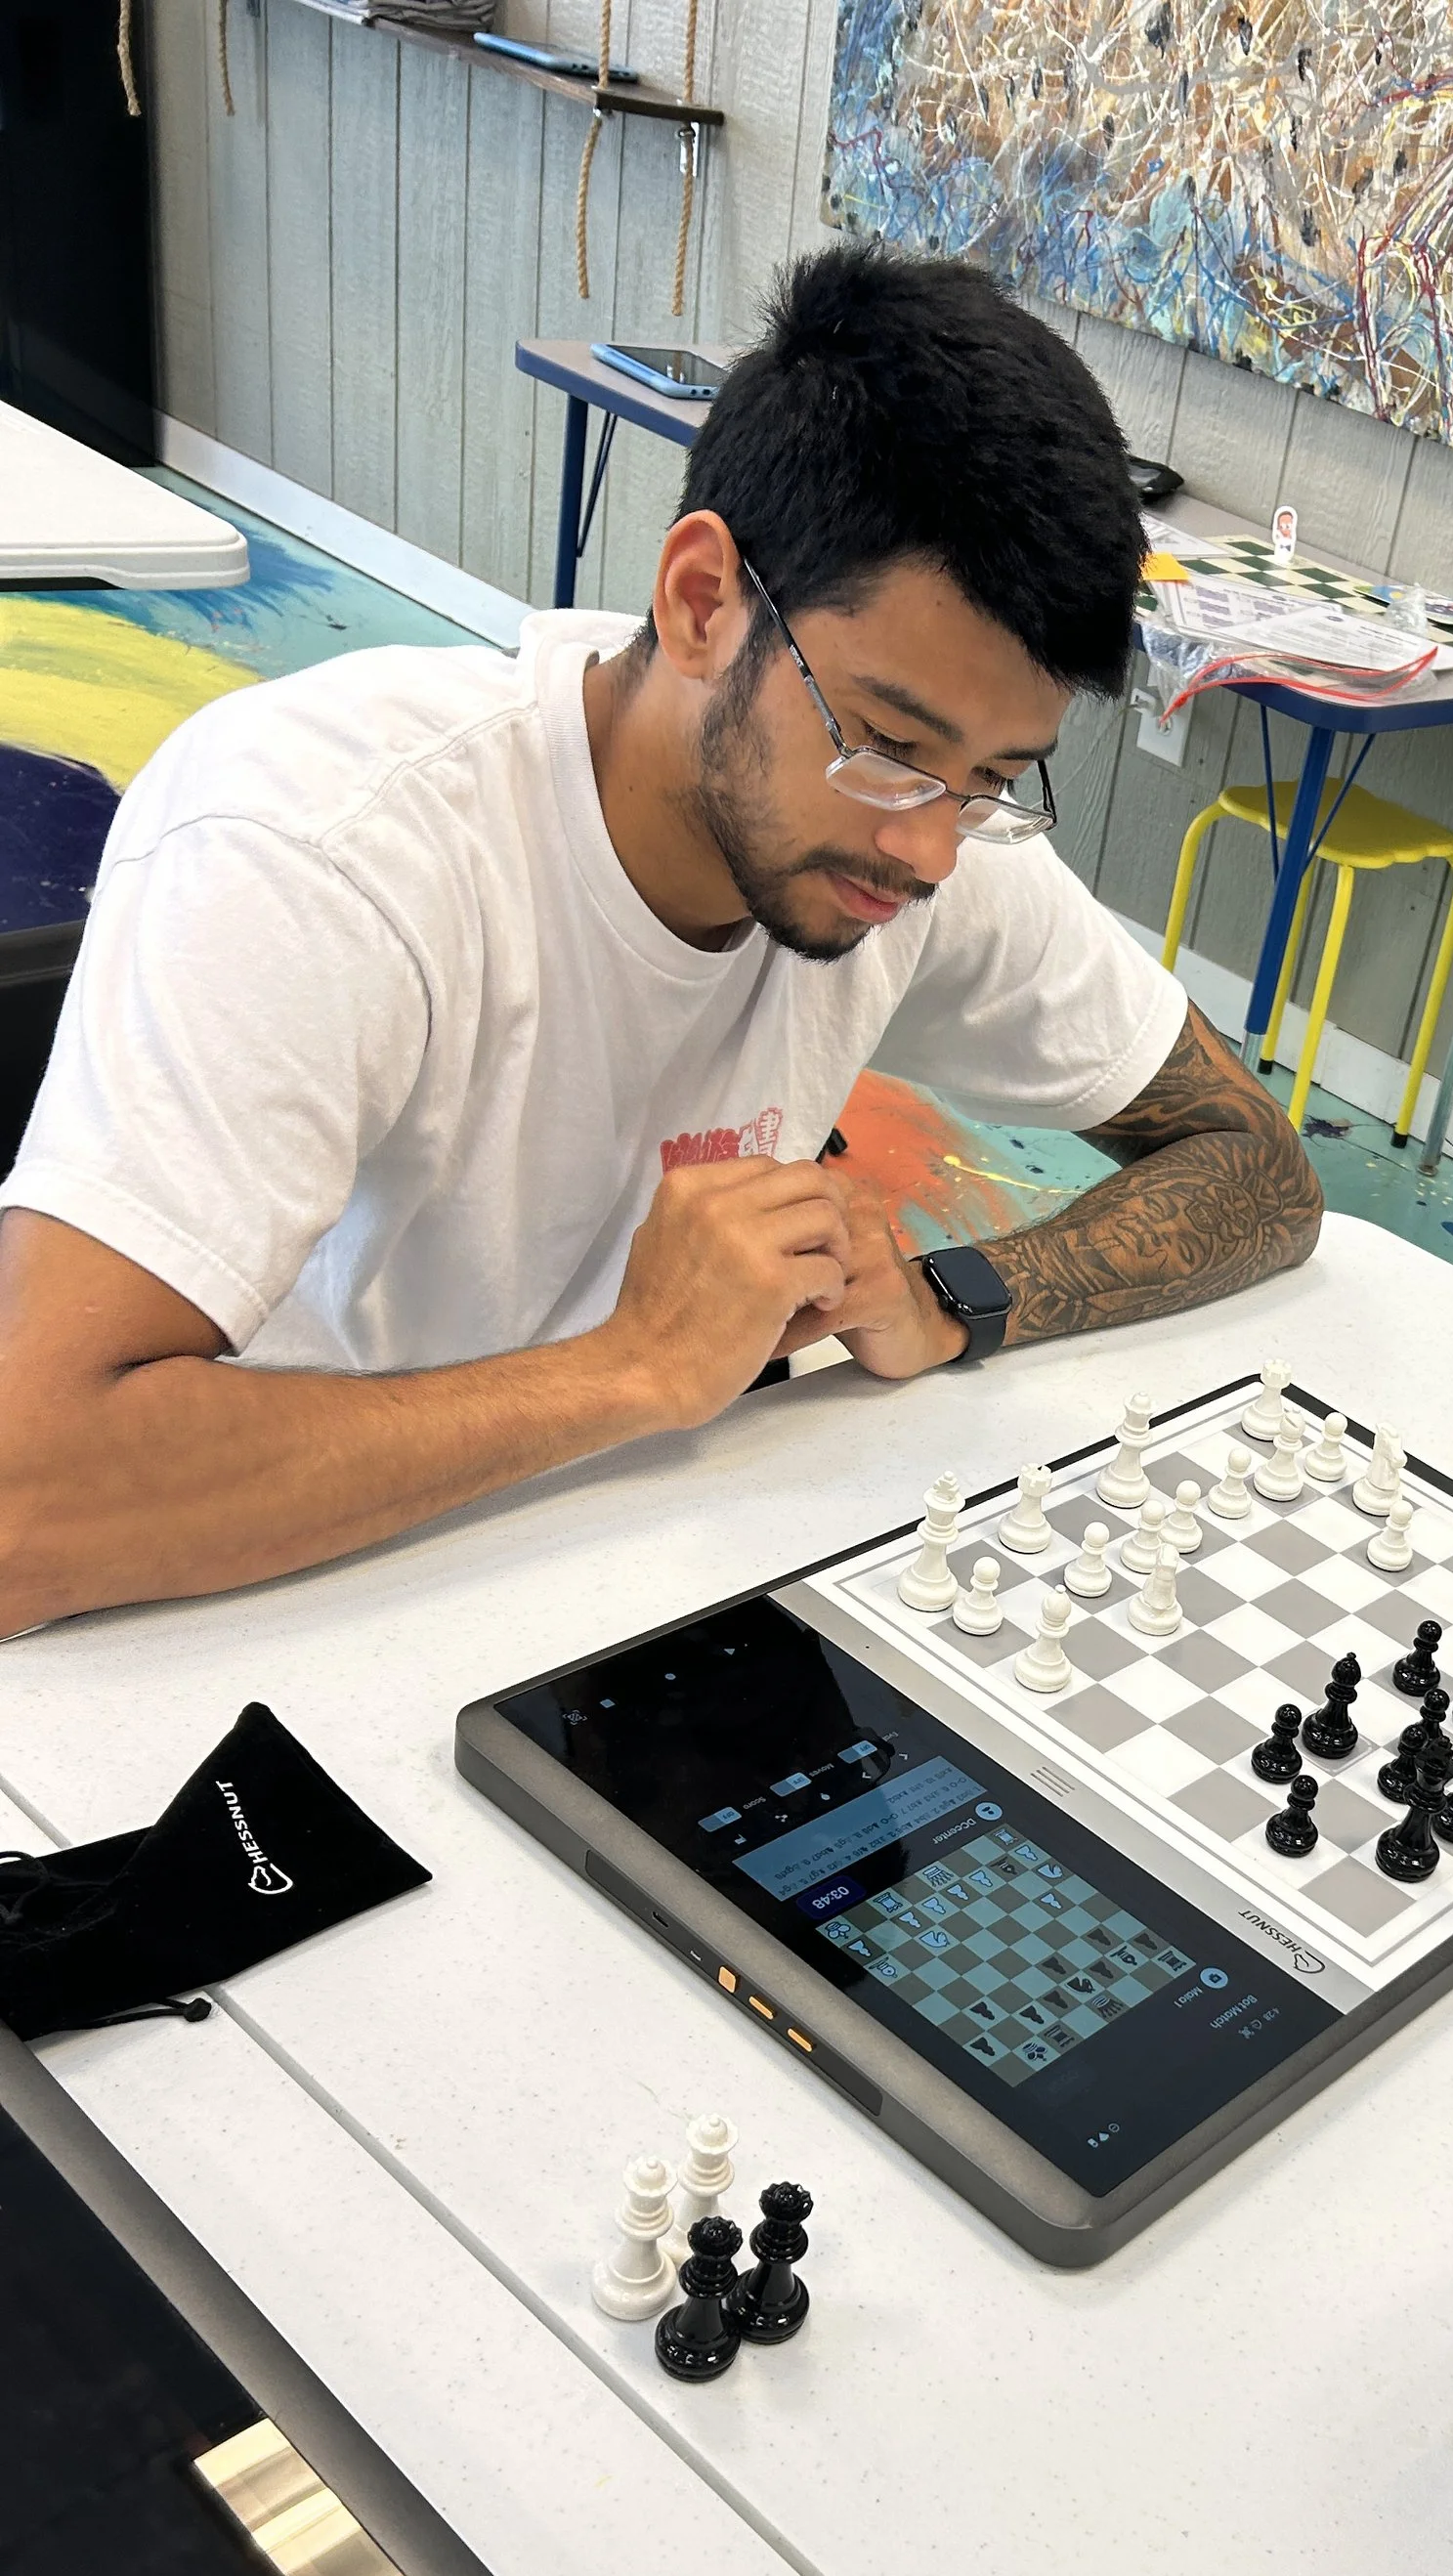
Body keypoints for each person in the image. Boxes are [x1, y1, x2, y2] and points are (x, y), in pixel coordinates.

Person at [0, 247, 1320, 1639]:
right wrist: (629, 1373)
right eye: (890, 745)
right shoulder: (323, 843)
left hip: (638, 1576)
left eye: (995, 777)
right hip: (252, 1605)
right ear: (704, 603)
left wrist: (959, 1296)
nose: (931, 849)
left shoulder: (922, 838)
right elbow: (27, 1504)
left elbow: (1257, 1166)